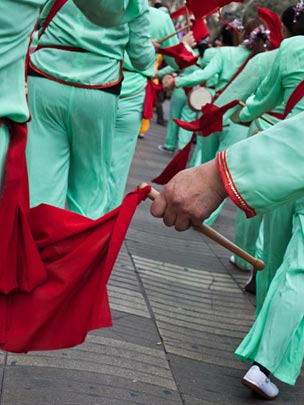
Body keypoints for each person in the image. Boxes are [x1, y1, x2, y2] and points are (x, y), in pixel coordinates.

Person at [26, 0, 155, 219]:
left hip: (46, 79)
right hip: (98, 88)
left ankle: (35, 247)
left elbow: (38, 19)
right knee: (90, 188)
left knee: (40, 182)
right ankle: (79, 249)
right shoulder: (137, 3)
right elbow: (142, 60)